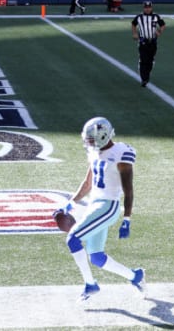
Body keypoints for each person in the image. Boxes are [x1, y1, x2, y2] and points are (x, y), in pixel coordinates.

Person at [53, 117, 145, 302]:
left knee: (73, 239)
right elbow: (88, 183)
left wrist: (127, 219)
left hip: (108, 206)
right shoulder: (95, 153)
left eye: (91, 139)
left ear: (103, 136)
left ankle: (91, 285)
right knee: (96, 256)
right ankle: (136, 276)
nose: (89, 143)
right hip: (95, 205)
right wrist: (69, 204)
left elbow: (128, 189)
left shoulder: (121, 153)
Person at [131, 1, 166, 87]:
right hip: (143, 41)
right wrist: (134, 33)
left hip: (153, 42)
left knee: (150, 61)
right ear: (143, 8)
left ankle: (146, 76)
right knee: (143, 60)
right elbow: (133, 24)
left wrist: (160, 31)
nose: (147, 9)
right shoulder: (139, 17)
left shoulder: (156, 16)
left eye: (149, 7)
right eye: (146, 7)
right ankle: (144, 79)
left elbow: (163, 25)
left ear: (151, 8)